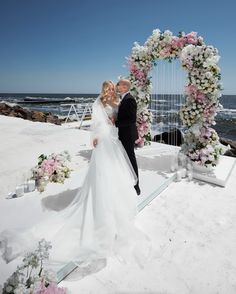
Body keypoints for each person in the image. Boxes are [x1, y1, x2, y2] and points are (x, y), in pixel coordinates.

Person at [0, 81, 150, 273]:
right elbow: (98, 123)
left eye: (114, 87)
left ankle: (115, 198)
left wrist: (114, 123)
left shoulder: (116, 101)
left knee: (116, 169)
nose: (112, 89)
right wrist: (99, 133)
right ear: (106, 89)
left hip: (115, 139)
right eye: (110, 87)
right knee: (104, 172)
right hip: (106, 139)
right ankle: (101, 202)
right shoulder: (101, 102)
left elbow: (120, 118)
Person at [115, 79, 141, 195]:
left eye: (118, 84)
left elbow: (131, 120)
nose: (117, 86)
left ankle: (136, 185)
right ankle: (128, 181)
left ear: (125, 87)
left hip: (128, 135)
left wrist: (115, 123)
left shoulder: (129, 100)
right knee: (125, 159)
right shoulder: (123, 99)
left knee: (131, 159)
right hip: (123, 134)